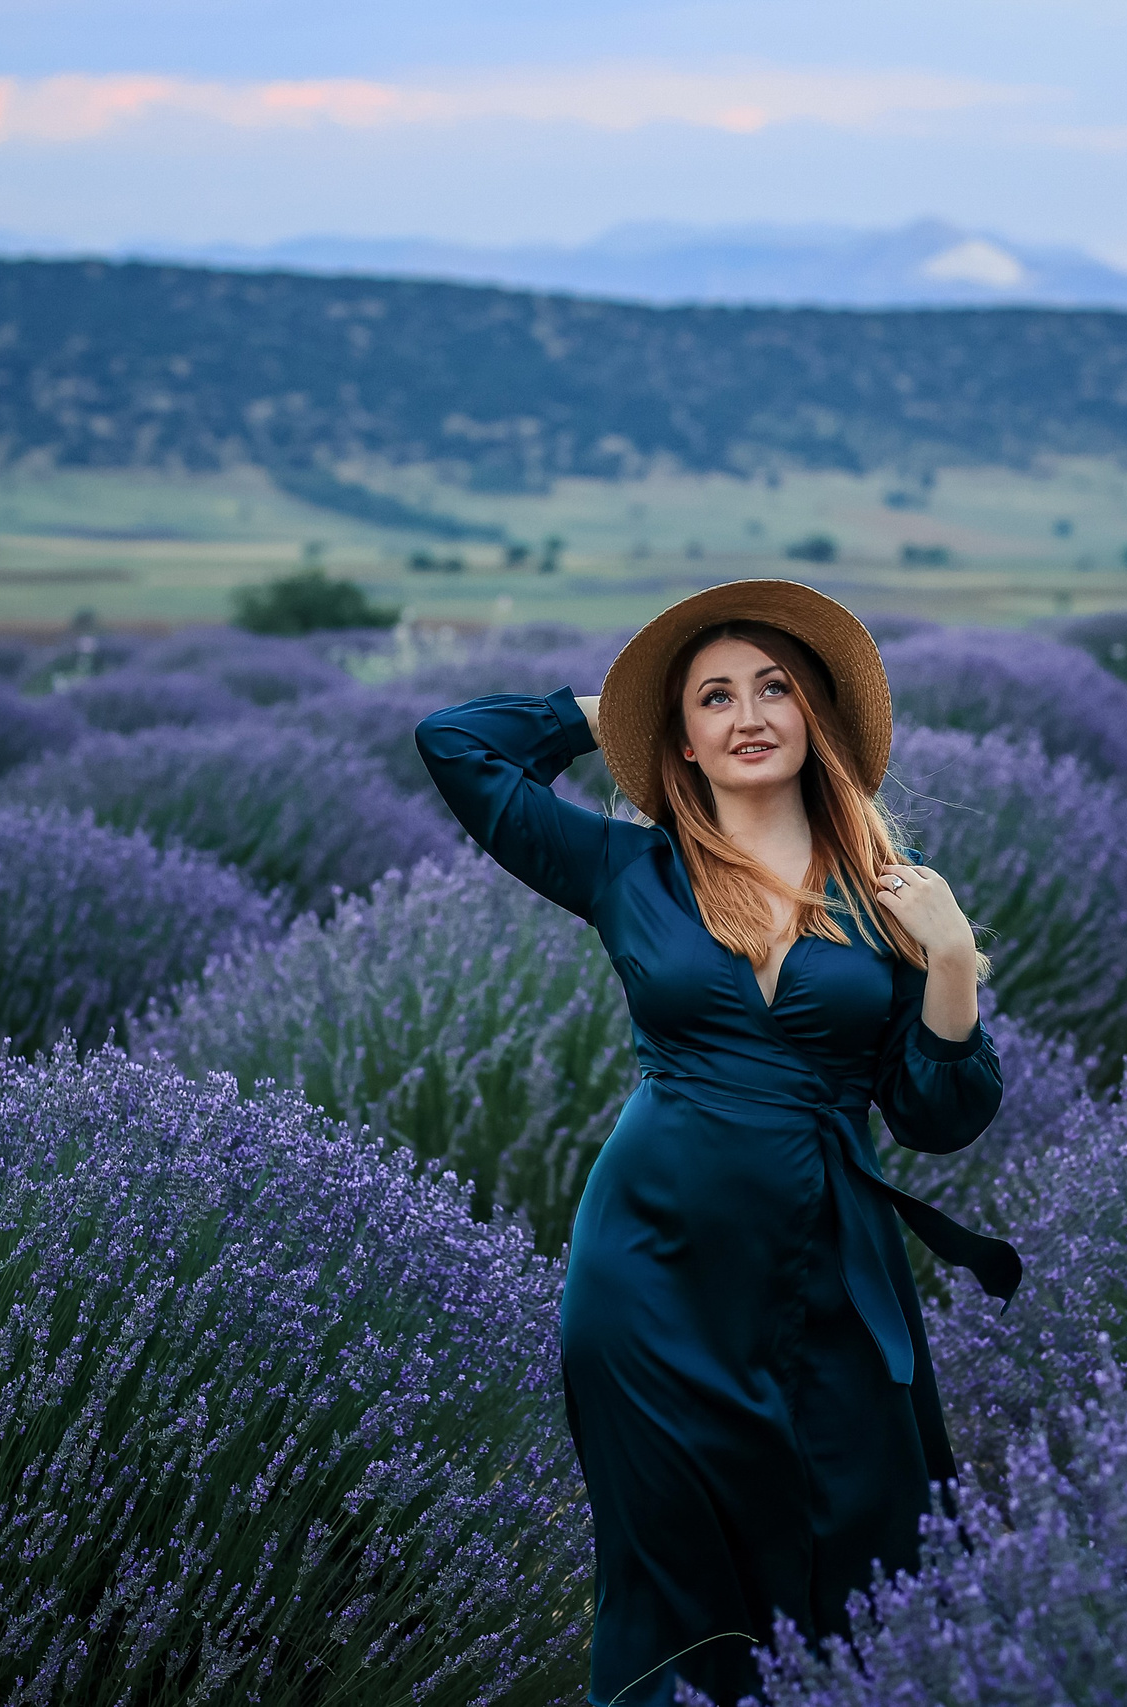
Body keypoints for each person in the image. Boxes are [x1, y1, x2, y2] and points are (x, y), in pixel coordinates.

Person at [416, 580, 1020, 1705]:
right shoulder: (626, 874)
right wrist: (614, 709)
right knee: (674, 1576)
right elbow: (454, 744)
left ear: (815, 719)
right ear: (681, 742)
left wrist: (948, 963)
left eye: (775, 688)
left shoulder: (892, 902)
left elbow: (939, 1119)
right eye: (714, 698)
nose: (749, 715)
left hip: (829, 1269)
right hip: (648, 1273)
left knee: (863, 1548)